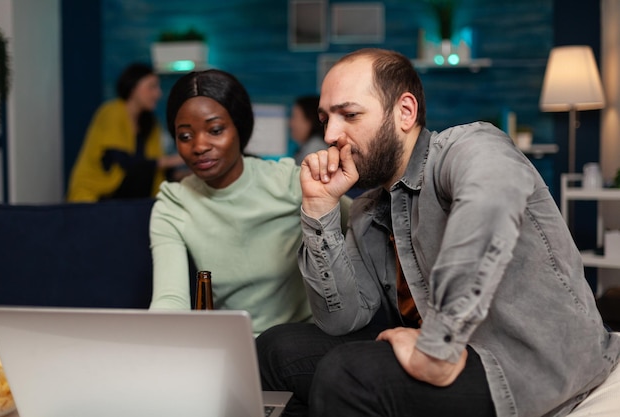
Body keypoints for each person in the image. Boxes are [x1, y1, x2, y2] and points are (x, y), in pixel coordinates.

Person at [257, 48, 620, 416]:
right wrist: (320, 208)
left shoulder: (470, 147)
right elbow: (341, 319)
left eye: (350, 115)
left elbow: (489, 209)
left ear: (405, 112)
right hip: (447, 350)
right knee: (275, 350)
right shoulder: (369, 209)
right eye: (325, 119)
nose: (332, 135)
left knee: (348, 375)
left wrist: (435, 349)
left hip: (529, 362)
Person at [149, 69, 351, 335]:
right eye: (185, 136)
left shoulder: (289, 182)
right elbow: (171, 300)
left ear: (240, 128)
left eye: (215, 130)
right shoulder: (174, 203)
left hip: (299, 342)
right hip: (234, 345)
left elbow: (362, 225)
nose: (199, 146)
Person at [67, 63, 182, 202]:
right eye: (152, 87)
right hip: (97, 198)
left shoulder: (151, 124)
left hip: (133, 200)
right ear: (133, 88)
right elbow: (124, 162)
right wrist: (178, 158)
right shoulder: (112, 112)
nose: (158, 93)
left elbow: (159, 172)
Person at [290, 95, 327, 164]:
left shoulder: (315, 150)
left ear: (310, 120)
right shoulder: (307, 146)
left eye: (295, 117)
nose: (291, 123)